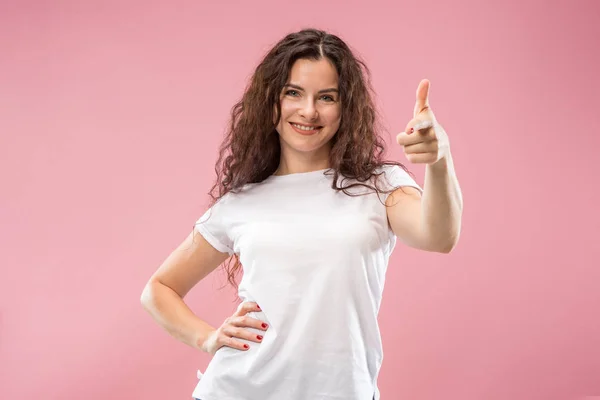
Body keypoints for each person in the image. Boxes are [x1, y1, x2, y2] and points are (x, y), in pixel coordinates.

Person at [141, 28, 463, 400]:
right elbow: (158, 290)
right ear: (270, 101)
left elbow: (439, 237)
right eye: (293, 93)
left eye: (326, 97)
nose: (309, 111)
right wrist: (207, 337)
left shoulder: (380, 185)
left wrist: (439, 158)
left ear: (346, 107)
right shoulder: (243, 202)